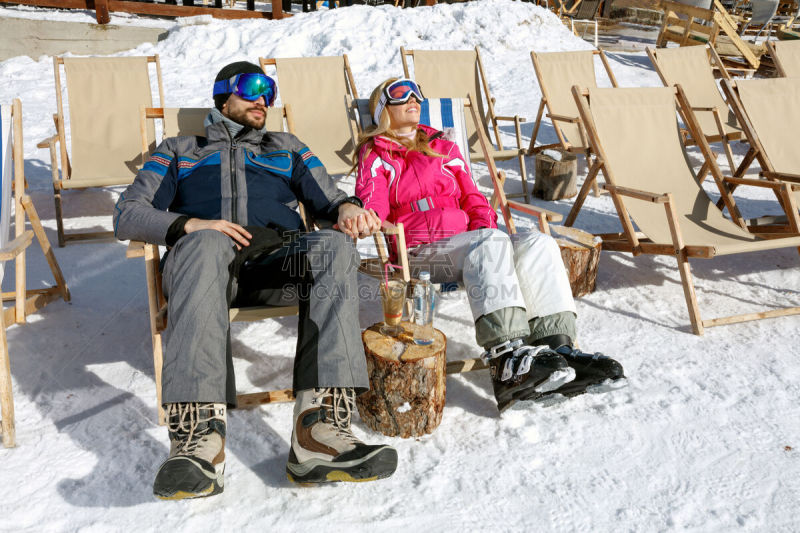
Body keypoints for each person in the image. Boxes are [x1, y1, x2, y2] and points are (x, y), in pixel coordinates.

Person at [114, 61, 397, 500]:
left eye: (269, 91)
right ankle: (198, 441)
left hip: (277, 260)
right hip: (203, 268)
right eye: (251, 88)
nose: (262, 99)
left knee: (336, 248)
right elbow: (128, 212)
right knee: (208, 245)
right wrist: (191, 225)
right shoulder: (178, 148)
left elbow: (332, 199)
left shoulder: (286, 147)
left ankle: (318, 433)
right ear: (223, 95)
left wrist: (346, 210)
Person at [354, 78, 626, 412]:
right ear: (383, 110)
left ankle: (557, 348)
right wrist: (366, 216)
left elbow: (473, 197)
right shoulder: (377, 153)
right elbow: (373, 205)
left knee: (538, 243)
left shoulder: (444, 146)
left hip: (470, 243)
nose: (413, 98)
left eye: (417, 92)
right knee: (490, 241)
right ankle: (507, 359)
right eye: (399, 94)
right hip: (420, 254)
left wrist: (485, 229)